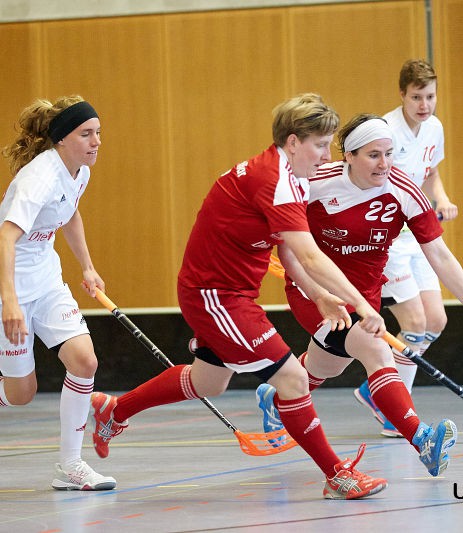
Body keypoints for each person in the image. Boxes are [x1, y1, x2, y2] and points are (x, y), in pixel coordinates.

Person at [90, 94, 389, 500]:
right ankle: (337, 474)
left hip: (229, 292)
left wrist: (319, 295)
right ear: (293, 141)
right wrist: (363, 304)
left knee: (208, 381)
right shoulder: (276, 181)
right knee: (293, 378)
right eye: (320, 144)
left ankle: (114, 411)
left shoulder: (291, 177)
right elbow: (309, 254)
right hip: (216, 294)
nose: (326, 154)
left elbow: (287, 248)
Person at [255, 113, 463, 478]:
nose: (385, 164)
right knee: (377, 349)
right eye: (373, 155)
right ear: (348, 155)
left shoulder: (403, 190)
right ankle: (422, 439)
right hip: (315, 290)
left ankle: (277, 398)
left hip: (366, 294)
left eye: (389, 153)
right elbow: (272, 221)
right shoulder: (316, 181)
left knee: (327, 366)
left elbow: (440, 255)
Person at [0, 96, 116, 490]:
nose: (96, 141)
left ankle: (71, 466)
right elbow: (6, 237)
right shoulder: (38, 178)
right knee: (21, 394)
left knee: (84, 362)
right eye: (86, 134)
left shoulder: (78, 170)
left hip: (47, 280)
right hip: (9, 283)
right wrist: (11, 302)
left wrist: (87, 265)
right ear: (62, 139)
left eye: (98, 133)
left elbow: (70, 212)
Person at [353, 60, 456, 437]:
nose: (424, 104)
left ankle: (375, 392)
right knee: (414, 322)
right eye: (416, 97)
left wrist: (441, 199)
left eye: (430, 96)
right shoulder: (384, 131)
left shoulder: (434, 127)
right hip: (389, 240)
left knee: (437, 322)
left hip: (416, 236)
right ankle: (393, 409)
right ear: (402, 95)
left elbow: (431, 172)